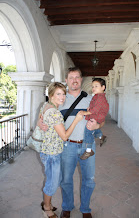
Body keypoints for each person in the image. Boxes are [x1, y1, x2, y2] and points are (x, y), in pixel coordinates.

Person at [39, 67, 104, 218]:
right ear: (66, 80)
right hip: (67, 145)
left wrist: (97, 126)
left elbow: (102, 121)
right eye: (71, 77)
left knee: (89, 179)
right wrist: (39, 123)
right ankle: (67, 206)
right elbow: (45, 109)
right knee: (66, 179)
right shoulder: (60, 98)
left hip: (87, 146)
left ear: (81, 80)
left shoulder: (92, 99)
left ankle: (86, 209)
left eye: (77, 77)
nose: (74, 80)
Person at [39, 82, 83, 218]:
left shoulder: (46, 106)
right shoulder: (55, 113)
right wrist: (77, 120)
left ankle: (48, 202)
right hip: (52, 154)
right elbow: (64, 136)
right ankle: (46, 208)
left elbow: (39, 119)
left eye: (63, 94)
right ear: (51, 95)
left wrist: (40, 123)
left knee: (52, 179)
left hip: (46, 151)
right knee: (53, 183)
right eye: (58, 94)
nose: (62, 97)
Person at [79, 78, 109, 160]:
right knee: (93, 129)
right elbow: (94, 106)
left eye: (96, 86)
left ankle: (88, 150)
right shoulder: (97, 96)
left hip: (97, 115)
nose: (93, 88)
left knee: (88, 131)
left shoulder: (100, 98)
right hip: (97, 115)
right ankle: (101, 137)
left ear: (103, 87)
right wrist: (90, 107)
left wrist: (86, 112)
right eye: (92, 86)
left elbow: (96, 109)